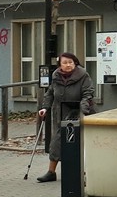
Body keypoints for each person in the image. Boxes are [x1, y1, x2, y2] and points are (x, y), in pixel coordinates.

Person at [34, 52, 96, 183]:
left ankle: (83, 173)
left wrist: (84, 108)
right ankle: (51, 172)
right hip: (60, 113)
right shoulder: (56, 76)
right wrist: (45, 108)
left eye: (70, 62)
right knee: (56, 142)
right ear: (60, 65)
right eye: (65, 63)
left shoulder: (83, 75)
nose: (68, 65)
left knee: (79, 143)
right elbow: (50, 93)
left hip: (78, 112)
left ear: (75, 63)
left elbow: (88, 93)